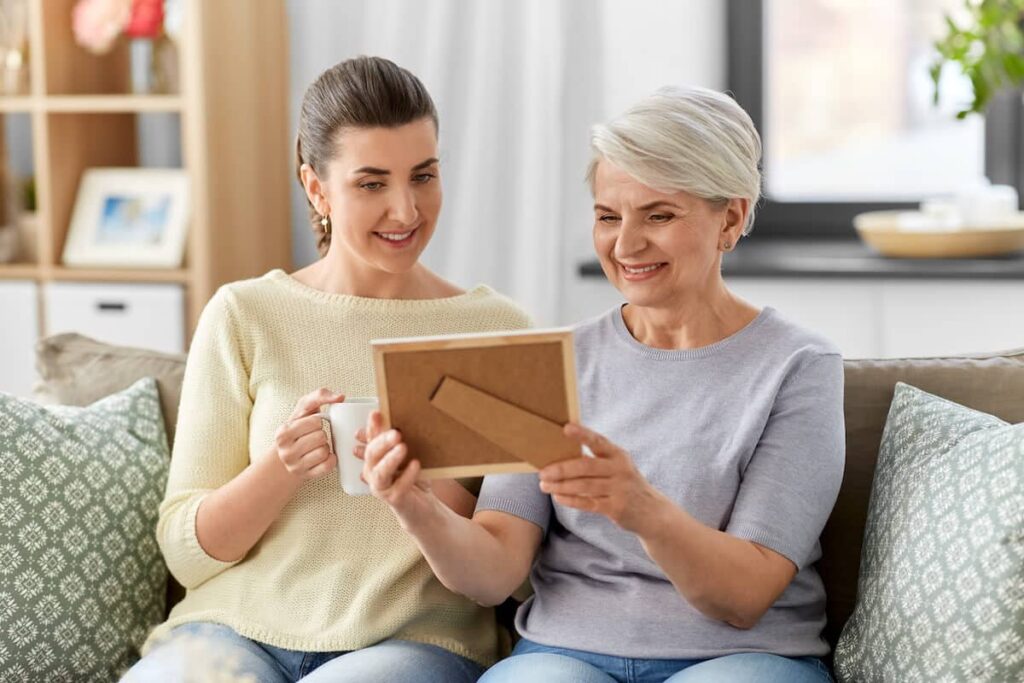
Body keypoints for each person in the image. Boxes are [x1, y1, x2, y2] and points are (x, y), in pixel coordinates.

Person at [360, 85, 844, 683]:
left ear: (733, 217)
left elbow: (744, 596)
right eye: (608, 216)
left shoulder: (799, 366)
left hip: (741, 659)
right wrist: (415, 505)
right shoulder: (554, 362)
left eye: (659, 215)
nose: (626, 244)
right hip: (563, 656)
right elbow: (495, 576)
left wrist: (640, 509)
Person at [122, 56, 530, 683]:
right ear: (316, 189)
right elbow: (186, 552)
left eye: (423, 176)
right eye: (372, 183)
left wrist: (420, 490)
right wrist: (280, 469)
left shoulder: (496, 330)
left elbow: (509, 570)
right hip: (232, 629)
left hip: (413, 640)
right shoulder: (245, 313)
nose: (406, 210)